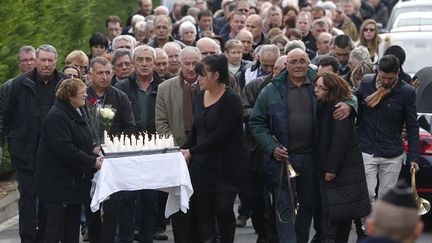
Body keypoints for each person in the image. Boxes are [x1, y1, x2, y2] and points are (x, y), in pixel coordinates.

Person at [249, 48, 354, 243]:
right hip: (283, 159)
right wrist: (271, 146)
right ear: (286, 65)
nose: (298, 65)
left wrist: (350, 105)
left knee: (308, 205)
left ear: (309, 63)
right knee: (284, 207)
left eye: (302, 61)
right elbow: (256, 122)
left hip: (312, 158)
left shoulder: (320, 82)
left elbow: (348, 93)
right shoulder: (271, 90)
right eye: (294, 61)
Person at [4, 44, 69, 243]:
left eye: (51, 60)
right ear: (36, 61)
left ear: (56, 62)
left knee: (50, 201)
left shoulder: (65, 84)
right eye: (43, 60)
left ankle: (46, 238)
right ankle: (28, 238)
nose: (47, 64)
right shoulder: (19, 84)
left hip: (55, 154)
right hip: (26, 153)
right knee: (28, 199)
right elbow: (8, 117)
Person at [181, 54, 247, 243]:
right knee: (204, 211)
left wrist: (192, 152)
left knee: (224, 208)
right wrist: (184, 149)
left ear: (216, 75)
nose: (199, 78)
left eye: (203, 74)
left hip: (226, 165)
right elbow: (196, 129)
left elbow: (221, 135)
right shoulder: (201, 95)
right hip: (202, 166)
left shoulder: (231, 100)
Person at [35, 78, 103, 243]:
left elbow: (80, 138)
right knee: (55, 227)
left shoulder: (77, 110)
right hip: (57, 183)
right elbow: (65, 149)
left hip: (72, 182)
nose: (86, 95)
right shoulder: (56, 116)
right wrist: (92, 162)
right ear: (70, 96)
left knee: (71, 226)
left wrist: (92, 149)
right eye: (82, 93)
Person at [355, 55, 420, 203]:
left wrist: (413, 157)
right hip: (367, 148)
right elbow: (354, 100)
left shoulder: (407, 92)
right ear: (378, 71)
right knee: (367, 193)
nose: (385, 81)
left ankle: (380, 226)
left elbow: (412, 125)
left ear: (397, 73)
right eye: (383, 77)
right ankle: (369, 226)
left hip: (392, 152)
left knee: (386, 199)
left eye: (390, 78)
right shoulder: (366, 82)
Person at [314, 72, 371, 243]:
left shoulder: (338, 109)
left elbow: (339, 141)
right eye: (315, 86)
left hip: (340, 170)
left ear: (331, 91)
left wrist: (331, 168)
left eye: (321, 88)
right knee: (340, 214)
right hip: (342, 170)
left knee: (334, 215)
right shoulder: (325, 105)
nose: (316, 90)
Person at [116, 45, 164, 243]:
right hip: (128, 150)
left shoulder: (163, 87)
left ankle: (147, 238)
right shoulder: (121, 89)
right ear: (133, 63)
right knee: (127, 198)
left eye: (148, 60)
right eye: (140, 60)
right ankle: (126, 238)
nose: (144, 64)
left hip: (153, 150)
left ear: (154, 63)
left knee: (150, 199)